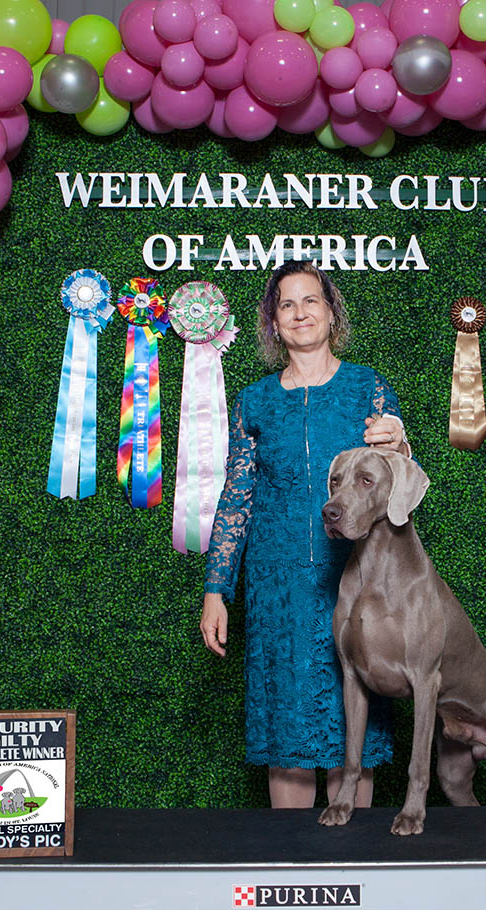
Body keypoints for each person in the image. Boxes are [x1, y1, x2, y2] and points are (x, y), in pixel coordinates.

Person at [200, 260, 410, 809]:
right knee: (288, 741)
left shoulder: (368, 387)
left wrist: (400, 443)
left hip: (357, 585)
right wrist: (216, 590)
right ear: (273, 322)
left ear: (331, 311)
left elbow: (397, 478)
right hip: (279, 591)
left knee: (353, 737)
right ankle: (287, 857)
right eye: (287, 304)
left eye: (311, 300)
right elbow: (237, 498)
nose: (300, 313)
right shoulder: (255, 401)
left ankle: (354, 854)